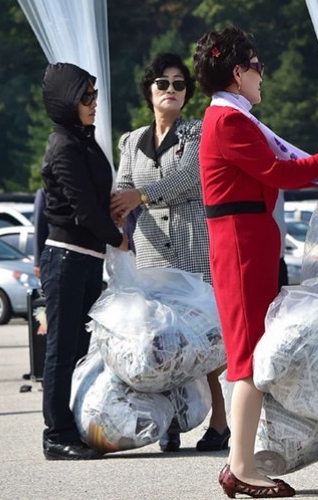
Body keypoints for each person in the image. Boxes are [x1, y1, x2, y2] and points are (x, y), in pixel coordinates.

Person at [194, 25, 318, 498]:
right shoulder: (228, 122)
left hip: (247, 239)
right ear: (236, 72)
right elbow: (278, 171)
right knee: (248, 357)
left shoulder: (232, 118)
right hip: (241, 245)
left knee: (253, 353)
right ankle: (240, 466)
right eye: (256, 66)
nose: (261, 75)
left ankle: (241, 461)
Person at [110, 52, 229, 453]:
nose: (172, 90)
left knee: (206, 338)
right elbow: (121, 187)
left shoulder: (196, 132)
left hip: (193, 245)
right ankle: (169, 422)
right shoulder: (130, 141)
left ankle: (221, 422)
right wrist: (115, 223)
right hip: (150, 254)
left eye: (179, 84)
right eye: (164, 83)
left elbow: (189, 176)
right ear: (150, 90)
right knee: (161, 343)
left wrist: (140, 195)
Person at [38, 62, 127, 461]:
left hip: (88, 259)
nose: (94, 104)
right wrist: (118, 238)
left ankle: (76, 422)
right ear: (65, 102)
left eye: (95, 96)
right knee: (60, 349)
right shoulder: (64, 145)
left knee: (80, 348)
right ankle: (56, 432)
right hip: (66, 258)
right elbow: (82, 210)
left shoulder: (83, 139)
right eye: (85, 98)